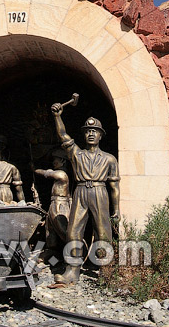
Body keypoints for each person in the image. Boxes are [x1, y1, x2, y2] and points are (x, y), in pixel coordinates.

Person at [50, 106, 120, 284]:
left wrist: (117, 209)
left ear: (101, 135)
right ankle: (72, 270)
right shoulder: (76, 154)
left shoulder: (109, 159)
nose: (91, 134)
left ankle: (106, 270)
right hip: (80, 191)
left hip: (99, 191)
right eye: (88, 131)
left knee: (103, 232)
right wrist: (58, 116)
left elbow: (114, 186)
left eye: (95, 131)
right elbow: (63, 136)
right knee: (73, 231)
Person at [35, 148, 72, 263]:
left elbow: (45, 173)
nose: (53, 162)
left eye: (55, 160)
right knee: (50, 233)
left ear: (63, 161)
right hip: (54, 203)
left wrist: (35, 169)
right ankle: (54, 260)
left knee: (64, 232)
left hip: (60, 205)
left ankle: (76, 253)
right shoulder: (60, 173)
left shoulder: (62, 174)